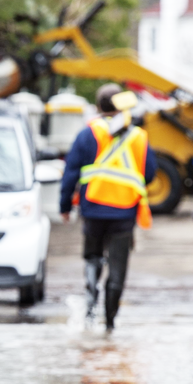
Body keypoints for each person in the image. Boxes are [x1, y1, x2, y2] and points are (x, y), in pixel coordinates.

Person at [60, 83, 157, 332]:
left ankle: (90, 313)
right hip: (124, 212)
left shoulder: (87, 134)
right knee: (117, 267)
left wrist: (64, 205)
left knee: (92, 258)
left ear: (97, 107)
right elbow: (150, 173)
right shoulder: (138, 137)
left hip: (92, 210)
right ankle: (110, 324)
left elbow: (70, 172)